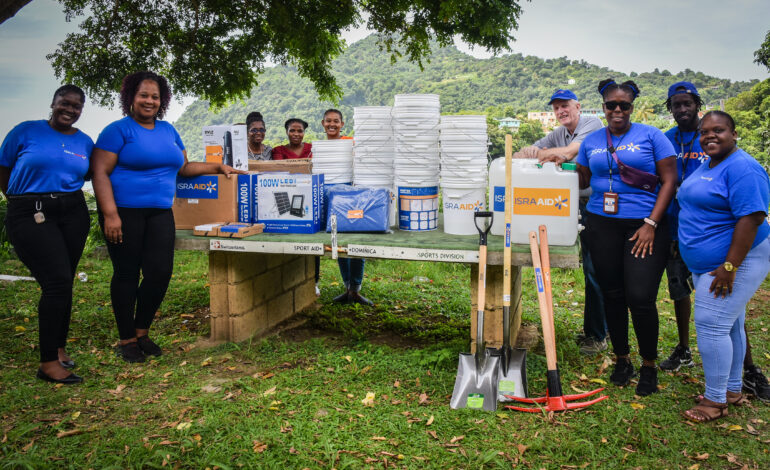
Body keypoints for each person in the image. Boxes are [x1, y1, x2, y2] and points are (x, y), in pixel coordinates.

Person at [92, 71, 243, 363]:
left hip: (161, 213)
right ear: (130, 98)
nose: (149, 101)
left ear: (162, 101)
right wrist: (110, 215)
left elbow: (184, 168)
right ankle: (126, 339)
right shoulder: (117, 130)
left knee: (160, 272)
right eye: (143, 95)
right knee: (126, 273)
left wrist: (218, 167)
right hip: (124, 213)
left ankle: (141, 331)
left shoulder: (168, 131)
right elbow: (100, 172)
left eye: (155, 97)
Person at [658, 85, 770, 402]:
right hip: (709, 261)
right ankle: (732, 391)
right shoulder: (711, 163)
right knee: (730, 325)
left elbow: (751, 219)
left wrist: (730, 266)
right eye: (705, 132)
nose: (710, 136)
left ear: (734, 134)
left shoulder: (744, 167)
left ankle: (715, 399)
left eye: (718, 130)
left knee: (711, 327)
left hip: (733, 262)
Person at [575, 79, 677, 396]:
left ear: (632, 107)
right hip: (601, 223)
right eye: (611, 105)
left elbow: (670, 180)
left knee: (641, 296)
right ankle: (623, 359)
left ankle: (648, 365)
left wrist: (651, 223)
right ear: (603, 107)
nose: (617, 110)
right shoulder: (591, 141)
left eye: (624, 105)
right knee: (612, 293)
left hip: (644, 225)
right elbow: (580, 177)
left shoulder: (652, 136)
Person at [0, 85, 93, 384]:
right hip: (30, 211)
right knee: (56, 282)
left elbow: (92, 174)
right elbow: (3, 171)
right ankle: (48, 364)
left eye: (76, 106)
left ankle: (59, 348)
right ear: (53, 103)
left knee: (64, 279)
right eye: (65, 103)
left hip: (74, 211)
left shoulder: (85, 142)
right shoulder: (25, 132)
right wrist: (19, 202)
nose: (70, 109)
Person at [515, 89, 606, 355]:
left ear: (578, 106)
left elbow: (569, 152)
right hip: (570, 204)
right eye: (556, 108)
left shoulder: (592, 124)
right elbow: (527, 153)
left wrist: (543, 153)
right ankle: (592, 331)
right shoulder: (559, 133)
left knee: (595, 270)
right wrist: (532, 151)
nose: (561, 111)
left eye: (565, 106)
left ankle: (599, 335)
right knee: (586, 268)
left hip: (595, 205)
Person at [322, 109, 372, 306]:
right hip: (333, 201)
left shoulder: (351, 142)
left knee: (357, 243)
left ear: (342, 124)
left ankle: (356, 289)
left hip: (354, 198)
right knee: (340, 244)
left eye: (336, 121)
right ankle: (347, 288)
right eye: (328, 121)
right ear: (322, 123)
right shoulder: (320, 148)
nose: (332, 124)